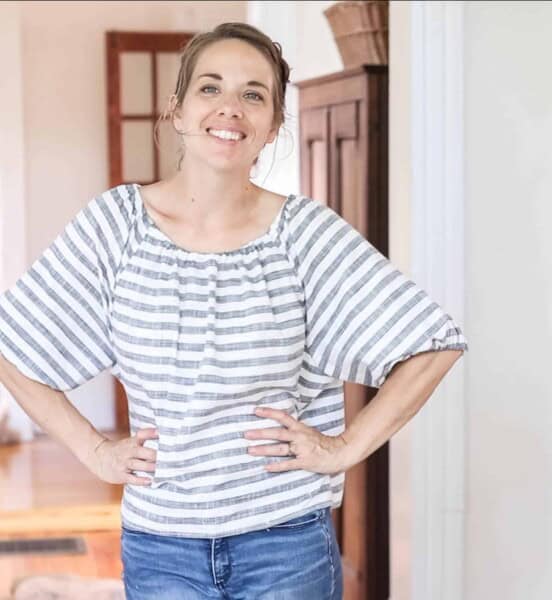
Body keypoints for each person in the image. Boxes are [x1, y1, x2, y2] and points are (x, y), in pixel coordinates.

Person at [0, 22, 467, 600]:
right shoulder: (114, 225)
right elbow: (12, 343)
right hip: (162, 542)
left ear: (272, 127)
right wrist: (93, 450)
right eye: (210, 87)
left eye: (254, 94)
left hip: (286, 542)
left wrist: (345, 447)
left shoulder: (304, 235)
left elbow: (433, 344)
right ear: (176, 110)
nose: (231, 108)